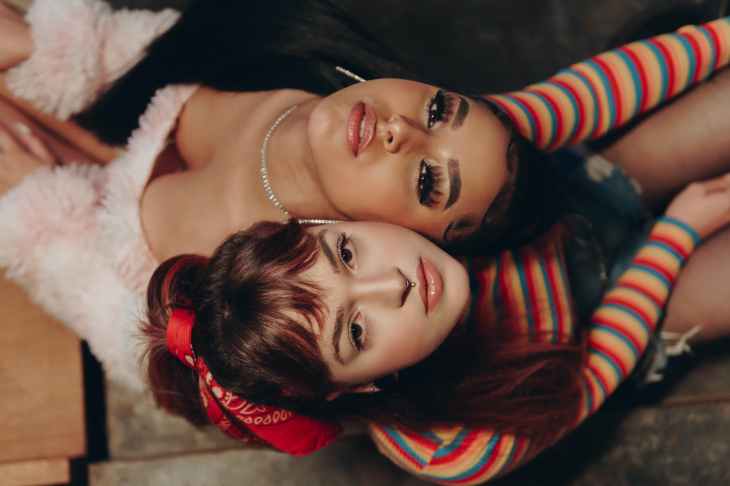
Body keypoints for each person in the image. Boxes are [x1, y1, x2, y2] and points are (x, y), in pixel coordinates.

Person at [143, 170, 730, 483]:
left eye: (345, 254)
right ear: (351, 388)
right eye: (356, 332)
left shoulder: (384, 193)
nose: (392, 284)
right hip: (612, 320)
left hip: (569, 202)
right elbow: (597, 364)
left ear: (324, 223)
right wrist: (676, 234)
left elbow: (546, 109)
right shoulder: (450, 447)